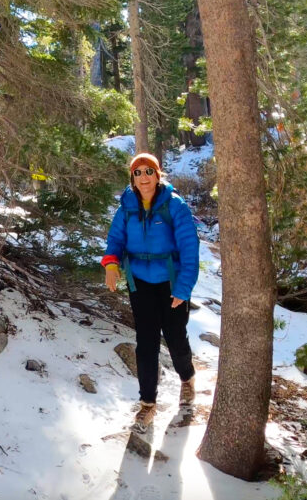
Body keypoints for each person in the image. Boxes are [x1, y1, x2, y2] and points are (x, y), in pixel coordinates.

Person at [101, 153, 200, 432]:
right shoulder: (127, 206)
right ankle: (147, 404)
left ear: (158, 175)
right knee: (146, 343)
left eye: (149, 172)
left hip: (171, 283)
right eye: (138, 173)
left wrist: (183, 287)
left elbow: (190, 249)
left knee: (175, 337)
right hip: (140, 282)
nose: (143, 178)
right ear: (132, 178)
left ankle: (187, 378)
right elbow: (115, 240)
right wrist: (111, 264)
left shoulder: (175, 206)